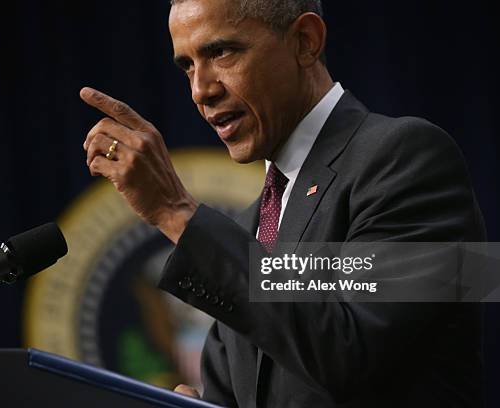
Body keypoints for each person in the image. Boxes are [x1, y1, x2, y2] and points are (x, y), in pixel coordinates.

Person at [81, 0, 486, 406]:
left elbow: (348, 352)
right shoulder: (249, 225)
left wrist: (174, 212)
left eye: (221, 52)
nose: (201, 90)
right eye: (187, 66)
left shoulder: (408, 158)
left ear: (305, 42)